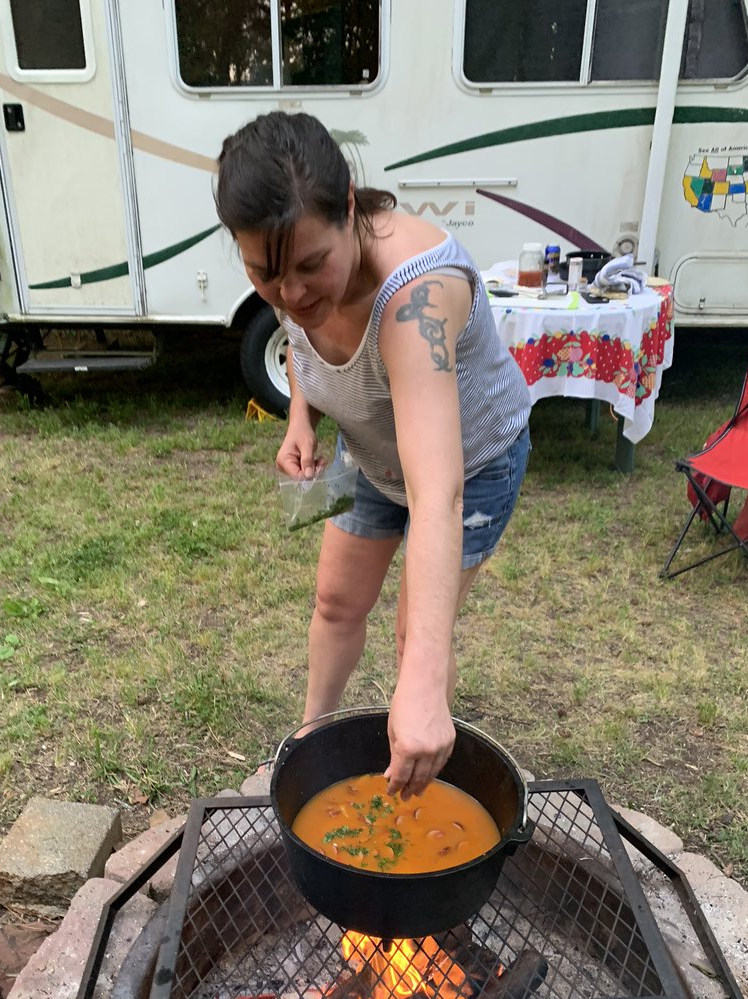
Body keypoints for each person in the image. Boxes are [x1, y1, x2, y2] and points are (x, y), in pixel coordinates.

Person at [216, 111, 531, 799]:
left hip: (469, 468)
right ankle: (306, 744)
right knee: (335, 601)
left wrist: (422, 679)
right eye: (266, 275)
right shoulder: (291, 268)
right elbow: (300, 339)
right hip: (370, 451)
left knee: (415, 639)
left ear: (349, 206)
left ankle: (414, 781)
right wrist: (300, 417)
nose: (292, 294)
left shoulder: (417, 295)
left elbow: (438, 494)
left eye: (309, 267)